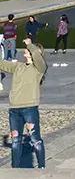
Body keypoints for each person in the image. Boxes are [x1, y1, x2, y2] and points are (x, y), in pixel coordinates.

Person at [0, 39, 47, 168]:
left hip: (29, 107)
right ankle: (15, 167)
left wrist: (30, 44)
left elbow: (38, 59)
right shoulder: (18, 66)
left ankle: (41, 166)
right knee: (16, 140)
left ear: (34, 52)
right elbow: (2, 64)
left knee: (35, 139)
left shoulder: (38, 68)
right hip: (14, 108)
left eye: (28, 49)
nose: (25, 50)